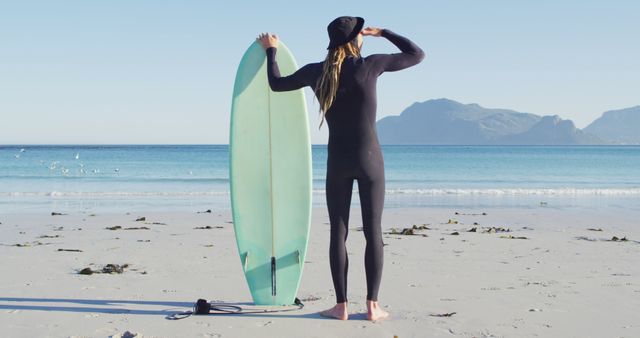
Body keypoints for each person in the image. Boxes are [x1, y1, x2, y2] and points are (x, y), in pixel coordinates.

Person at [257, 16, 425, 321]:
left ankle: (341, 306)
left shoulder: (315, 72)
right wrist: (384, 32)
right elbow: (416, 54)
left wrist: (272, 51)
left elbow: (276, 84)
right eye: (361, 33)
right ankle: (373, 306)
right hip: (370, 160)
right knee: (373, 230)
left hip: (338, 161)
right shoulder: (370, 65)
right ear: (355, 40)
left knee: (339, 231)